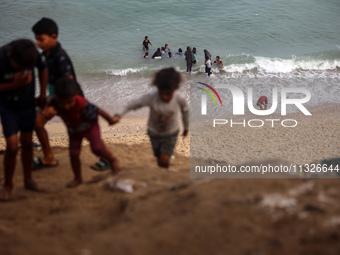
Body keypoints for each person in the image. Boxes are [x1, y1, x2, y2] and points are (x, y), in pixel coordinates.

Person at [48, 77, 121, 187]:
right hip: (73, 131)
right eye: (62, 103)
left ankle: (113, 160)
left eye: (69, 102)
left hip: (90, 127)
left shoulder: (82, 103)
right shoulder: (53, 102)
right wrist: (45, 110)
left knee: (97, 149)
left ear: (76, 95)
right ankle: (78, 178)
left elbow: (98, 110)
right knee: (73, 154)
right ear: (56, 97)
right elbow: (44, 105)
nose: (66, 106)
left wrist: (110, 119)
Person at [32, 17, 84, 170]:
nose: (37, 43)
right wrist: (42, 97)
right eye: (36, 39)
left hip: (69, 98)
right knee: (37, 122)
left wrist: (54, 103)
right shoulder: (45, 55)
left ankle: (106, 157)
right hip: (53, 97)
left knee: (82, 131)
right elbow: (43, 75)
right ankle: (49, 157)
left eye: (40, 39)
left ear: (53, 37)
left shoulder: (60, 57)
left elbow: (69, 82)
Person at [112, 67, 189, 168]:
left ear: (175, 88)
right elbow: (131, 104)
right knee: (158, 158)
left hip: (171, 133)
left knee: (164, 160)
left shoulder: (179, 98)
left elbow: (185, 111)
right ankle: (162, 171)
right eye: (162, 93)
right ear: (157, 87)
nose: (164, 97)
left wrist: (186, 127)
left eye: (168, 94)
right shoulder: (151, 97)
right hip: (154, 132)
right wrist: (119, 114)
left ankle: (164, 174)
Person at [0, 39, 48, 201]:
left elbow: (43, 68)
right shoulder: (1, 57)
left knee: (27, 143)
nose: (24, 71)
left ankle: (28, 180)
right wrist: (13, 85)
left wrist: (42, 94)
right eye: (20, 68)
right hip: (8, 107)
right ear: (10, 57)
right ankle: (8, 185)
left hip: (27, 105)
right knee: (12, 147)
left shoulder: (30, 54)